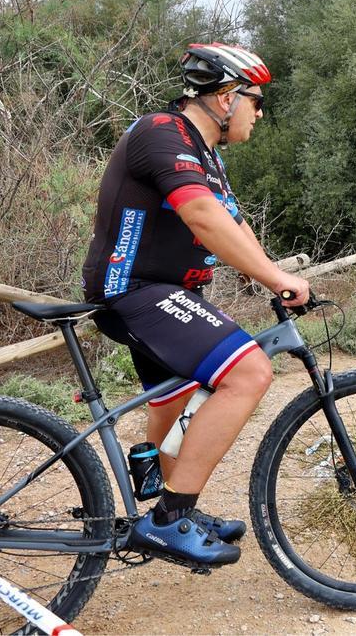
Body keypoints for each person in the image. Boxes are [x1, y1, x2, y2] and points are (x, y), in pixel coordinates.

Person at [80, 43, 309, 567]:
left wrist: (275, 276)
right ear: (226, 97)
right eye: (256, 99)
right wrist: (276, 277)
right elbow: (202, 216)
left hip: (169, 294)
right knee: (248, 372)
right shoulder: (164, 133)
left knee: (179, 399)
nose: (260, 111)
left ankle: (164, 501)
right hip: (136, 292)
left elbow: (234, 224)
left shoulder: (206, 154)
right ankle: (168, 520)